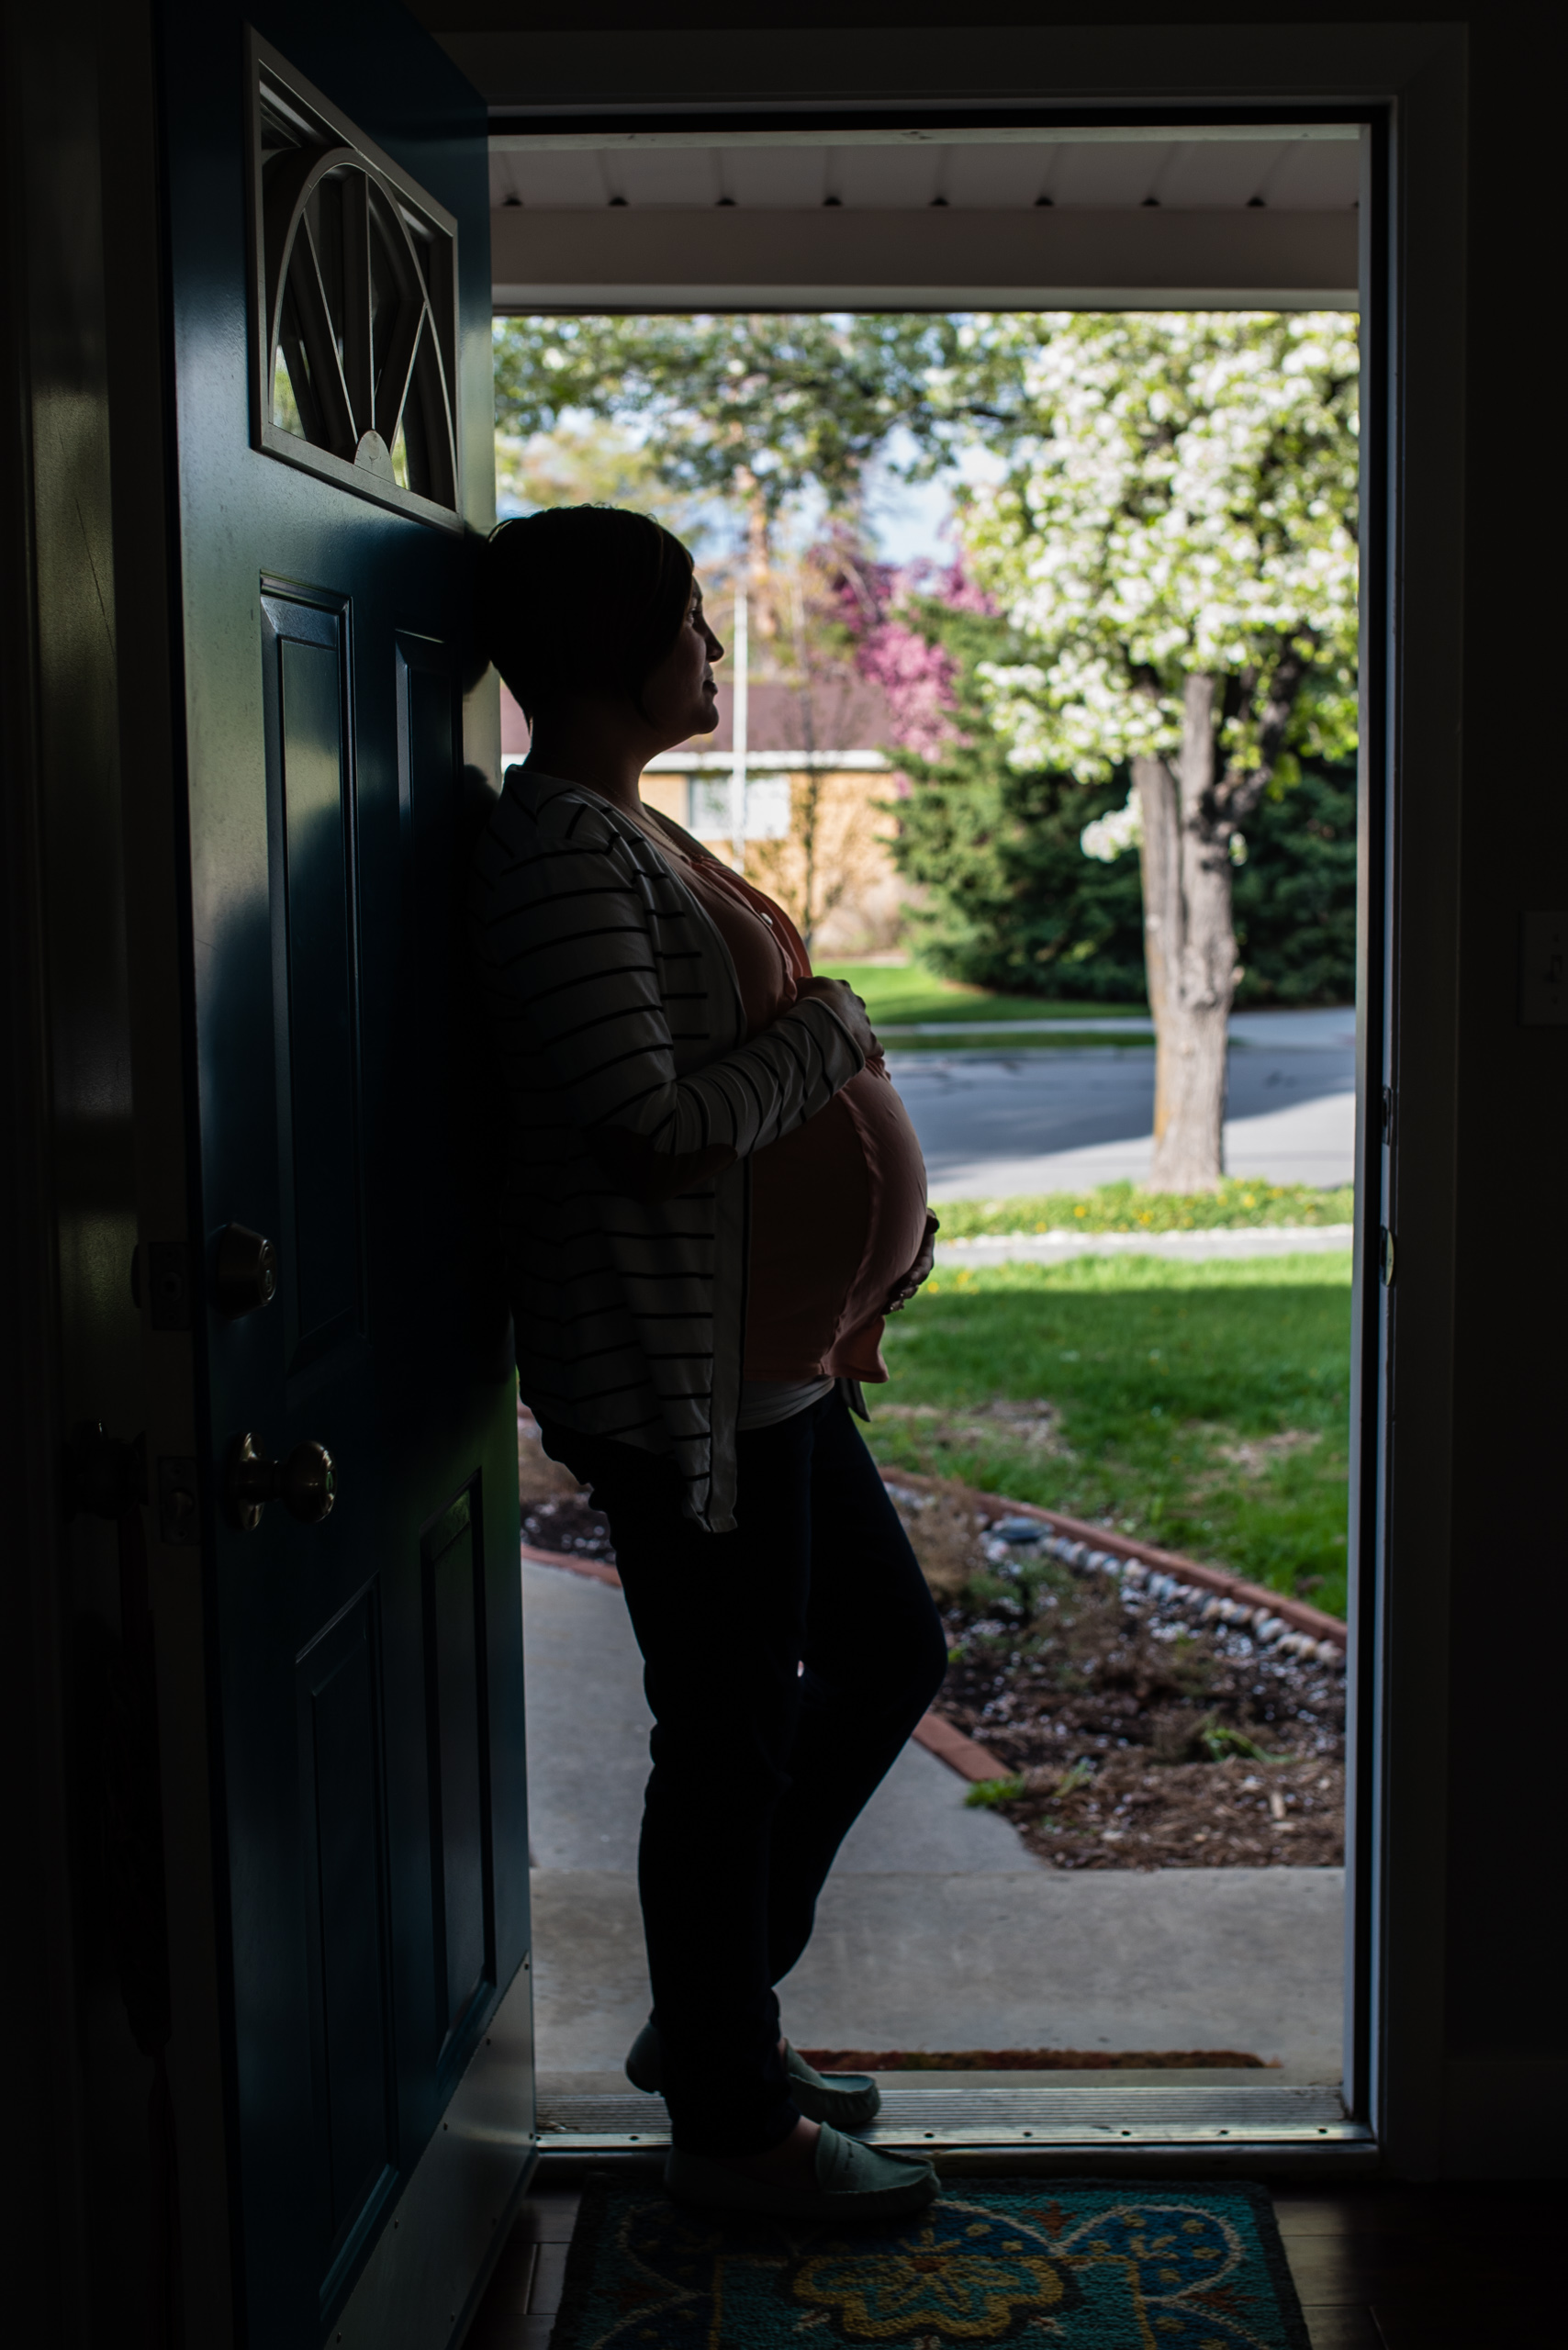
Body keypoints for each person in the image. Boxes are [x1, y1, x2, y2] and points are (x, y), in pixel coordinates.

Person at [470, 505, 946, 2222]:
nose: (715, 644)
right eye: (689, 615)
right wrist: (831, 1031)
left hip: (778, 1370)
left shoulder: (624, 831)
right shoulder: (555, 856)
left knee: (887, 1655)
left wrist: (868, 1228)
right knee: (728, 1742)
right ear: (609, 643)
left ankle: (717, 2017)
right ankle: (734, 2130)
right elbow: (650, 1128)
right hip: (694, 1392)